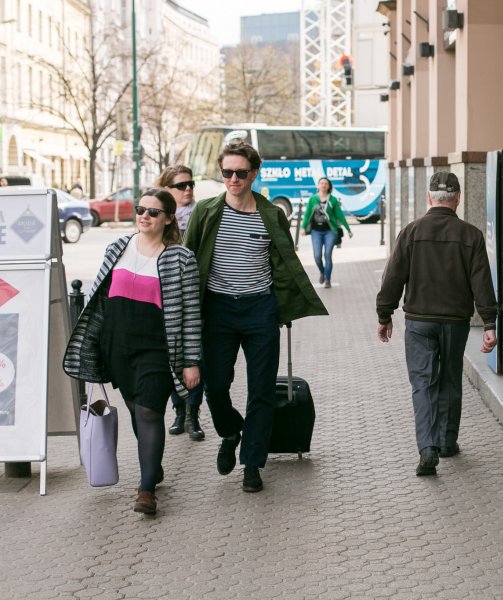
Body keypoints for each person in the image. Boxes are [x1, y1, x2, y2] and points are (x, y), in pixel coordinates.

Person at [183, 141, 327, 493]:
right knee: (215, 385)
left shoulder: (271, 214)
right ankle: (231, 431)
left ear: (254, 173)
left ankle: (252, 462)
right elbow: (187, 261)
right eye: (227, 172)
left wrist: (284, 305)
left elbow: (284, 263)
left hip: (260, 309)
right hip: (217, 309)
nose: (233, 179)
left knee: (261, 390)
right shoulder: (205, 211)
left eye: (241, 173)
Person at [64, 189, 201, 515]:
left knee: (150, 411)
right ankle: (151, 465)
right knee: (136, 410)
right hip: (117, 346)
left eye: (153, 212)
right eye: (141, 209)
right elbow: (99, 299)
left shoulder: (181, 258)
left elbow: (192, 314)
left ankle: (146, 489)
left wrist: (192, 361)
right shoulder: (117, 248)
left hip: (157, 348)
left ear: (168, 218)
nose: (144, 216)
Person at [375, 172, 498, 476]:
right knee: (450, 379)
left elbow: (393, 276)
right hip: (455, 322)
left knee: (423, 383)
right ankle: (447, 441)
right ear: (457, 199)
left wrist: (384, 314)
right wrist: (490, 323)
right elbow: (482, 283)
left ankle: (427, 447)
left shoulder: (411, 232)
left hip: (419, 321)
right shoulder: (471, 235)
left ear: (429, 198)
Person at [157, 165, 205, 440]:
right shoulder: (157, 216)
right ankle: (178, 411)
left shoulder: (202, 214)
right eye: (181, 185)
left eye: (191, 183)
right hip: (167, 299)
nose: (188, 189)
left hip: (198, 297)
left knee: (195, 358)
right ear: (167, 190)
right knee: (172, 358)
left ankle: (193, 414)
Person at [299, 177, 353, 288]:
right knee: (317, 256)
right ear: (318, 186)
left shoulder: (333, 200)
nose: (323, 185)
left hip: (330, 231)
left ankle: (327, 279)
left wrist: (348, 230)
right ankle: (322, 271)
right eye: (321, 183)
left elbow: (339, 215)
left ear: (329, 186)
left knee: (327, 254)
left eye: (326, 183)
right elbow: (307, 215)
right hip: (316, 231)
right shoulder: (312, 199)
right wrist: (303, 227)